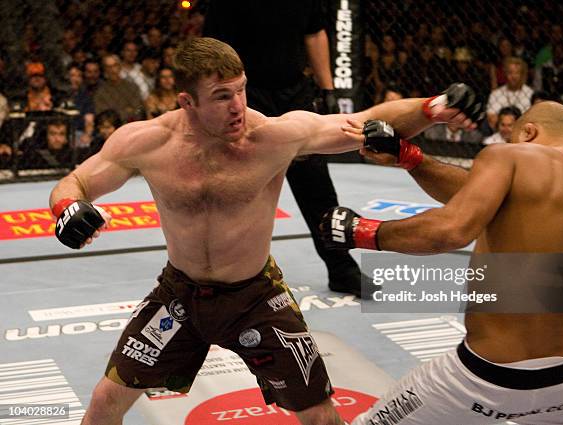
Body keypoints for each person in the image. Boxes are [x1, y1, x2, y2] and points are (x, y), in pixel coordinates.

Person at [48, 37, 480, 425]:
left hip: (257, 295)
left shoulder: (273, 136)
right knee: (105, 402)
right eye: (221, 96)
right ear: (186, 102)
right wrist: (69, 208)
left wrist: (432, 108)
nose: (237, 105)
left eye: (240, 89)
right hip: (179, 294)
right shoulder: (145, 142)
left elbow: (367, 121)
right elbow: (77, 182)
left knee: (319, 415)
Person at [320, 101, 563, 424]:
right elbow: (479, 194)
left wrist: (361, 232)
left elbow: (450, 230)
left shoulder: (511, 156)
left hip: (483, 378)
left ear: (528, 132)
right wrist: (410, 157)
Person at [202, 0, 373, 297]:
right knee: (242, 186)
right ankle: (230, 272)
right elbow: (212, 52)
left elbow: (314, 33)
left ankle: (341, 269)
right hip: (247, 96)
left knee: (316, 183)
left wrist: (328, 88)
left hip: (295, 91)